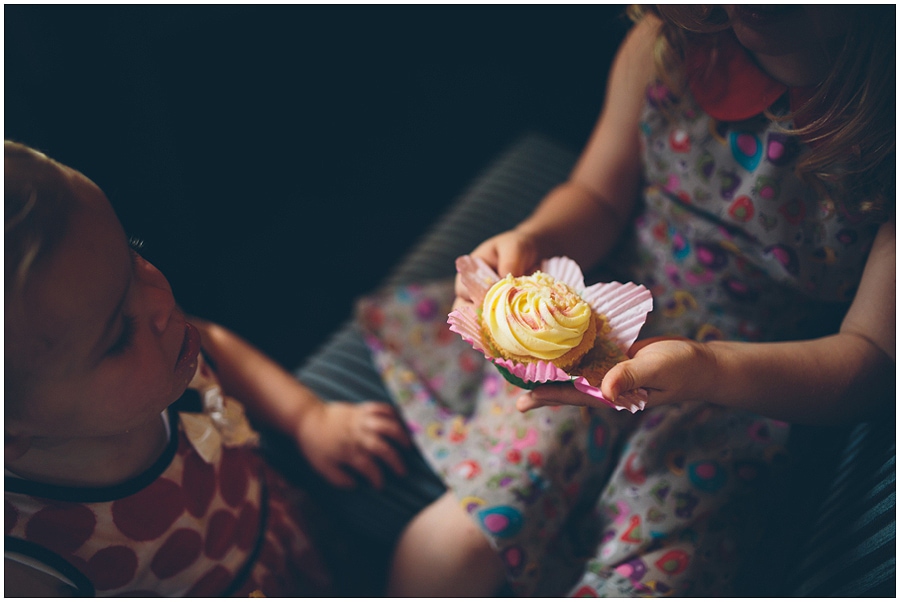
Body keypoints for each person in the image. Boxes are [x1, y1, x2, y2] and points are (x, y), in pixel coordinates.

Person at [358, 4, 895, 597]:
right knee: (453, 544)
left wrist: (710, 368)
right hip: (589, 323)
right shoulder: (662, 50)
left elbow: (870, 358)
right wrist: (536, 239)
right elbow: (597, 198)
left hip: (747, 384)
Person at [3, 140, 415, 596]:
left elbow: (216, 345)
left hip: (282, 531)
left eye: (134, 255)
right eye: (118, 334)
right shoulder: (31, 561)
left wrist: (309, 419)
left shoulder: (164, 352)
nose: (160, 299)